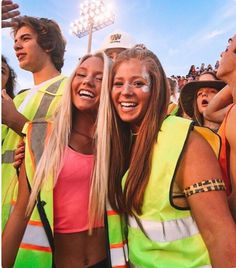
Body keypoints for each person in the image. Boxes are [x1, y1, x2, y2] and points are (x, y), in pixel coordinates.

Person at [106, 47, 236, 267]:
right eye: (118, 83)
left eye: (138, 83)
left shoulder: (187, 142)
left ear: (156, 90)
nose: (126, 91)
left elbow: (220, 236)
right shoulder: (121, 142)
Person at [2, 51, 112, 267]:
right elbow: (21, 214)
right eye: (81, 74)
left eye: (100, 78)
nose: (88, 81)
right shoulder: (41, 135)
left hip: (105, 261)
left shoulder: (115, 142)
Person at [2, 15, 67, 231]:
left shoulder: (69, 90)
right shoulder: (18, 98)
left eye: (26, 38)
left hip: (36, 214)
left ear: (48, 45)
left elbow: (66, 151)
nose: (17, 45)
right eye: (15, 40)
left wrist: (16, 122)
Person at [205, 35, 236, 220]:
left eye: (228, 46)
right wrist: (232, 82)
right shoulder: (231, 111)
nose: (221, 53)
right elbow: (210, 112)